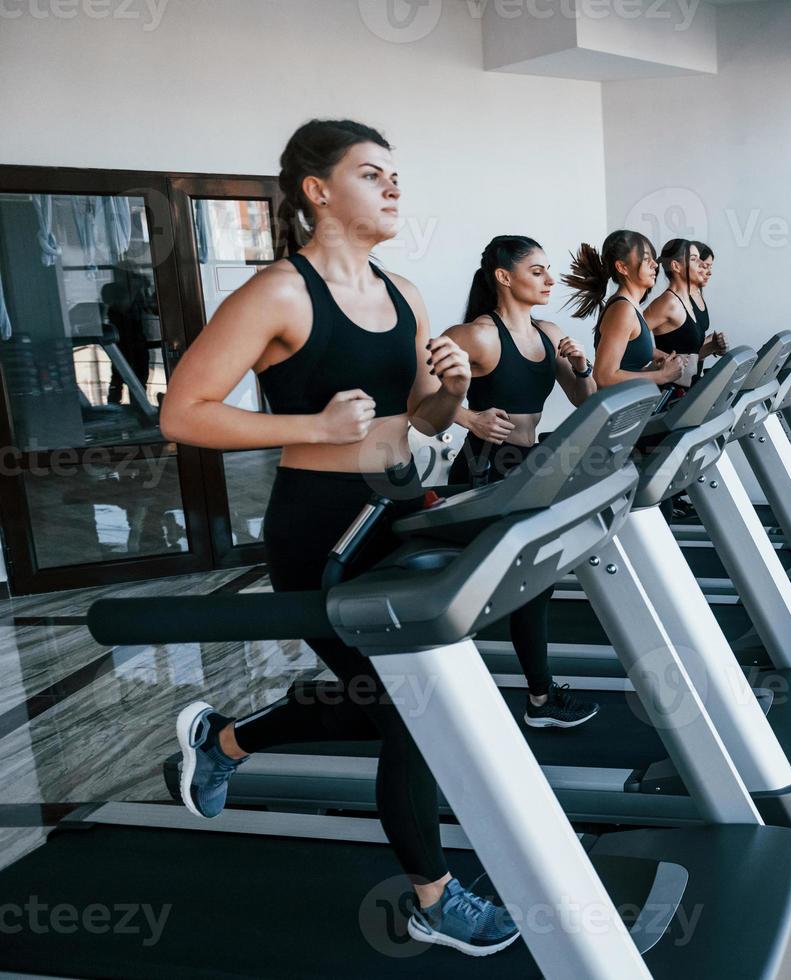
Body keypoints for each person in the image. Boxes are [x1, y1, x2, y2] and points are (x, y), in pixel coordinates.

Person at [156, 119, 517, 957]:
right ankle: (431, 897)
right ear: (318, 192)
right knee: (409, 712)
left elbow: (419, 417)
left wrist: (447, 392)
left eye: (396, 175)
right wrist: (310, 423)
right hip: (318, 527)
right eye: (371, 174)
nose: (393, 187)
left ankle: (226, 741)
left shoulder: (405, 294)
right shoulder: (277, 293)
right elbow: (183, 413)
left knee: (398, 703)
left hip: (397, 510)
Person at [444, 235, 600, 729]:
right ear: (504, 277)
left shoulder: (549, 333)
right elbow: (417, 397)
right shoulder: (477, 336)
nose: (550, 280)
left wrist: (580, 366)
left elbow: (584, 399)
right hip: (485, 466)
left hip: (529, 461)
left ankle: (537, 697)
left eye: (549, 270)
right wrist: (468, 419)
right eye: (538, 271)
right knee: (515, 582)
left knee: (536, 581)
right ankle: (527, 696)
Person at [561, 230, 683, 390]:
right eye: (646, 259)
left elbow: (630, 347)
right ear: (622, 267)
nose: (655, 264)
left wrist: (661, 357)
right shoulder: (623, 309)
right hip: (618, 410)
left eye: (653, 258)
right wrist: (661, 376)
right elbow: (603, 377)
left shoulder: (631, 306)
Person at [643, 238, 727, 393]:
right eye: (695, 260)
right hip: (669, 391)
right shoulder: (668, 302)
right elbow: (630, 340)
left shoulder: (686, 300)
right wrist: (664, 357)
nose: (701, 266)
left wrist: (711, 346)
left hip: (689, 389)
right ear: (676, 266)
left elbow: (690, 354)